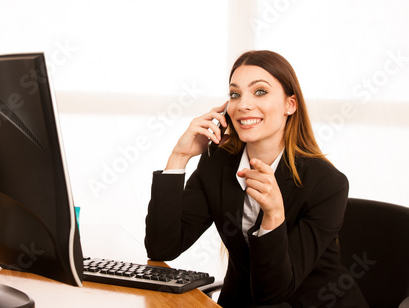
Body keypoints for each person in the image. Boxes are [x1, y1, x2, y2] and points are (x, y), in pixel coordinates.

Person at [144, 50, 368, 307]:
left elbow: (273, 293)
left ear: (290, 105)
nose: (243, 105)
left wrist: (273, 216)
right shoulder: (217, 164)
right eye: (235, 94)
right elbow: (162, 248)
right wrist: (179, 157)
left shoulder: (326, 184)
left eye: (260, 91)